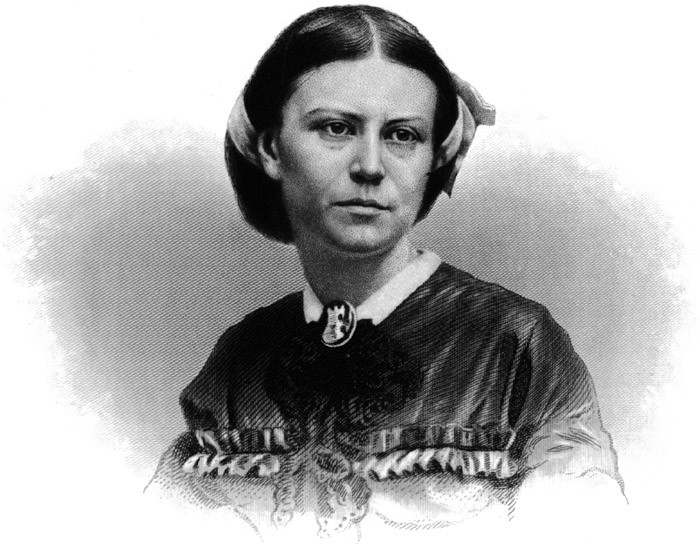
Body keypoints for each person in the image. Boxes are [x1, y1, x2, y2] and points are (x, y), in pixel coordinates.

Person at [147, 5, 625, 542]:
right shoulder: (237, 362)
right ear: (271, 149)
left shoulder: (515, 343)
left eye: (402, 135)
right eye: (336, 128)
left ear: (433, 155)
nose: (370, 166)